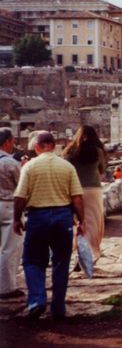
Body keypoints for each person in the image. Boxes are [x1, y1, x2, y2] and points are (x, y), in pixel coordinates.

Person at [13, 131, 85, 319]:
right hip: (63, 216)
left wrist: (16, 219)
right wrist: (81, 221)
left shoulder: (30, 167)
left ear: (37, 147)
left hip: (37, 216)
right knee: (61, 262)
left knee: (32, 260)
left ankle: (37, 300)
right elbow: (77, 197)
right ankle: (58, 307)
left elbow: (20, 197)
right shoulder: (67, 167)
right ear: (53, 145)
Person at [62, 126, 107, 261]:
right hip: (93, 190)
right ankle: (91, 252)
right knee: (93, 221)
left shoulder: (69, 152)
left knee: (77, 221)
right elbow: (102, 171)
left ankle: (77, 252)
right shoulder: (97, 151)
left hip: (74, 190)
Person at [0, 128, 23, 299]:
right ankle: (7, 287)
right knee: (10, 248)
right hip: (8, 206)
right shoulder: (10, 163)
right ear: (7, 141)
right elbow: (21, 187)